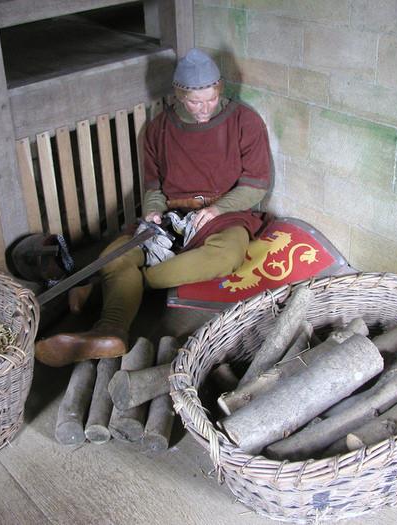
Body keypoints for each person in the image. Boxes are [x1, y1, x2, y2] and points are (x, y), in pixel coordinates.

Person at [34, 48, 272, 367]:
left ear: (220, 90)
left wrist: (218, 209)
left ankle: (121, 286)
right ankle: (110, 331)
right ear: (178, 95)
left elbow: (256, 183)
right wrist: (153, 209)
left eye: (211, 99)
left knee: (226, 256)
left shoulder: (245, 121)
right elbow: (152, 185)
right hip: (172, 217)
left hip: (224, 215)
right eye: (194, 102)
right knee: (114, 256)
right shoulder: (158, 129)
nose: (204, 109)